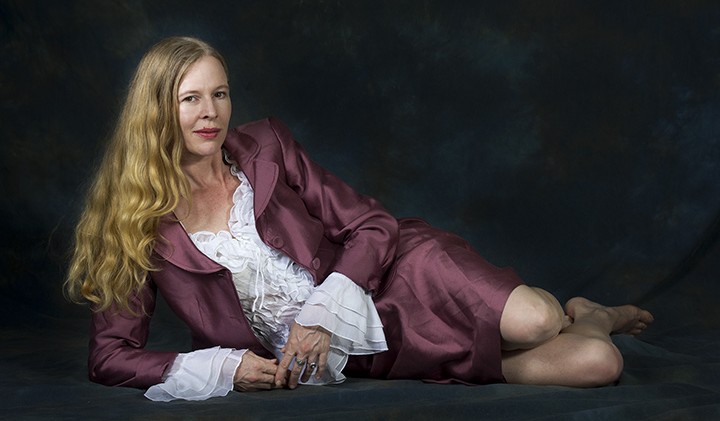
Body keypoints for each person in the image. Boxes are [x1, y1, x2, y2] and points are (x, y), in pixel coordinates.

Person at [65, 36, 654, 402]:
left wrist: (324, 312)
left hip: (400, 274)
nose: (211, 113)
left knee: (540, 321)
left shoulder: (265, 145)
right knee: (597, 363)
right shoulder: (134, 223)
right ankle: (595, 316)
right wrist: (223, 366)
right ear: (156, 112)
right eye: (190, 98)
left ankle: (567, 311)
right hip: (370, 351)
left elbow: (373, 224)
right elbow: (111, 355)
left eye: (220, 94)